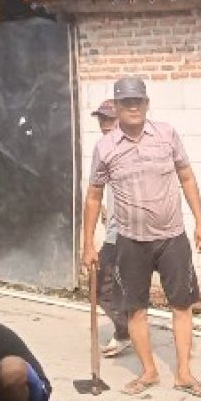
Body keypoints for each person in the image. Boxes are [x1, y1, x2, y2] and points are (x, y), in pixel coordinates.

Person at [82, 76, 201, 397]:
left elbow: (186, 176)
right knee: (135, 308)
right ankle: (149, 372)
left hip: (172, 237)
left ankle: (183, 373)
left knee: (182, 304)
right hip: (130, 240)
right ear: (118, 106)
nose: (133, 107)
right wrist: (87, 243)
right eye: (126, 102)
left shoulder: (166, 135)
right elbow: (94, 196)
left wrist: (200, 222)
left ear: (146, 104)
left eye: (138, 101)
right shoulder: (105, 147)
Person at [90, 99, 132, 357]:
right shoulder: (104, 149)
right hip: (115, 232)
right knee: (113, 288)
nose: (105, 125)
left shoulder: (129, 148)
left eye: (110, 119)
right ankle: (128, 331)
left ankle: (127, 332)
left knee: (103, 289)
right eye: (101, 120)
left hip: (124, 237)